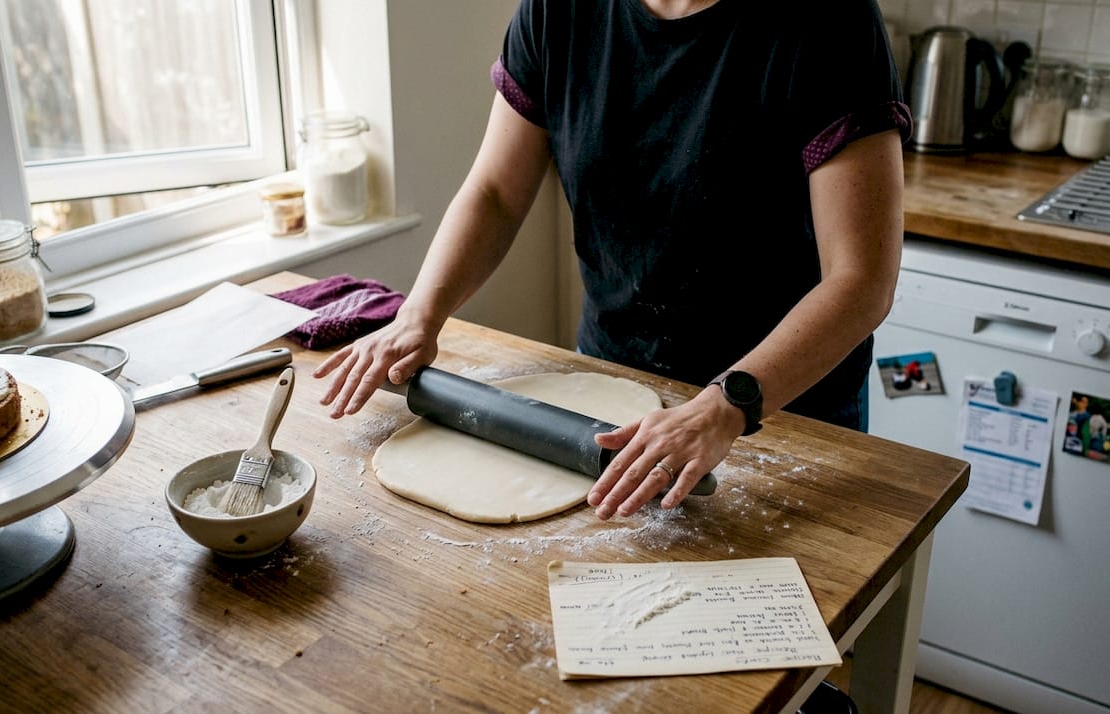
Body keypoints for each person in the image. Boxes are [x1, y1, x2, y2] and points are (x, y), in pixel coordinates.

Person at [316, 0, 910, 520]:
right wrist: (420, 313)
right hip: (615, 385)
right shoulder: (558, 10)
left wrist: (726, 406)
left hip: (782, 407)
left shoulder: (828, 20)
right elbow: (496, 193)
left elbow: (861, 281)